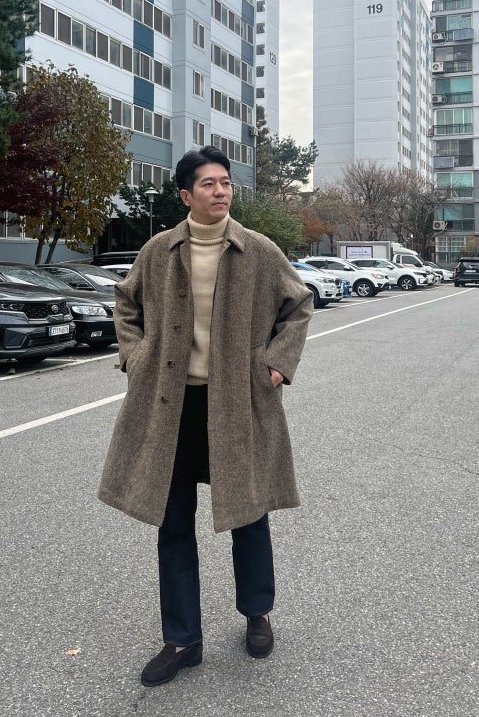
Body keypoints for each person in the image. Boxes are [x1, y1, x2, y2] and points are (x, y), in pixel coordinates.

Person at [98, 145, 313, 687]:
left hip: (237, 402)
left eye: (226, 182)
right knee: (173, 524)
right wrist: (135, 356)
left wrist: (276, 365)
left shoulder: (257, 249)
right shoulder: (159, 250)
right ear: (185, 195)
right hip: (172, 407)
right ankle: (181, 640)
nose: (221, 191)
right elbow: (126, 303)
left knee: (248, 513)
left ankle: (257, 613)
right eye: (209, 184)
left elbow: (298, 305)